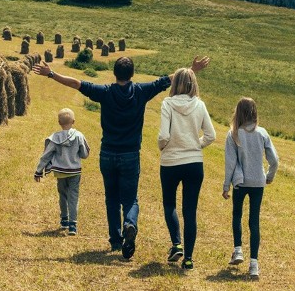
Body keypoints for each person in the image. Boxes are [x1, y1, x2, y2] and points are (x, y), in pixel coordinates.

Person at [33, 55, 210, 260]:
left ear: (114, 73)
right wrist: (192, 70)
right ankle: (130, 224)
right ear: (132, 74)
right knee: (130, 199)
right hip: (130, 155)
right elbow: (169, 80)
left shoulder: (105, 92)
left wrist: (51, 74)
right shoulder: (141, 91)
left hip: (108, 153)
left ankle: (116, 240)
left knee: (111, 199)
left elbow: (76, 83)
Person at [157, 68, 216, 271]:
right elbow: (211, 135)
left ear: (175, 84)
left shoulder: (167, 103)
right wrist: (194, 145)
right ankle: (189, 258)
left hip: (171, 161)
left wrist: (163, 147)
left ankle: (177, 243)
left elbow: (164, 135)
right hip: (194, 163)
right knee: (190, 211)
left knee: (169, 204)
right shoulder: (200, 105)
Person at [222, 97, 279, 280]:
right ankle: (254, 264)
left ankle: (238, 250)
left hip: (240, 181)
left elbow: (230, 163)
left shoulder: (233, 134)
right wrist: (269, 176)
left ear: (238, 112)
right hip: (258, 181)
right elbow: (274, 160)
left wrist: (226, 186)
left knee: (237, 214)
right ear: (255, 112)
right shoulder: (262, 133)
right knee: (254, 221)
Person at [34, 108, 90, 236]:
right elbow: (85, 154)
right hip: (75, 172)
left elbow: (46, 155)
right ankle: (73, 225)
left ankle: (64, 219)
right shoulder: (79, 136)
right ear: (73, 121)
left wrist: (38, 171)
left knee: (63, 196)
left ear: (59, 122)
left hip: (60, 172)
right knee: (73, 197)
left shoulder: (55, 138)